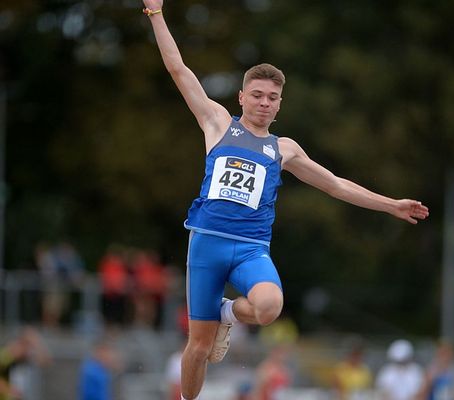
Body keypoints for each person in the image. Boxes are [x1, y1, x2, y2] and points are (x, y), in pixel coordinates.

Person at [141, 2, 430, 399]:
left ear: (279, 104)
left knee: (270, 307)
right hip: (207, 241)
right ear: (242, 97)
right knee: (199, 348)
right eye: (257, 95)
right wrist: (156, 14)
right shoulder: (217, 123)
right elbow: (179, 70)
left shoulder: (284, 149)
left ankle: (227, 311)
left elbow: (336, 185)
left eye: (272, 97)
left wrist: (391, 204)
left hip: (251, 249)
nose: (264, 102)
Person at [0, 327, 51, 400]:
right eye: (27, 345)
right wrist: (9, 390)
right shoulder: (5, 355)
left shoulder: (23, 357)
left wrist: (38, 345)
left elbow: (45, 362)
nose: (29, 350)